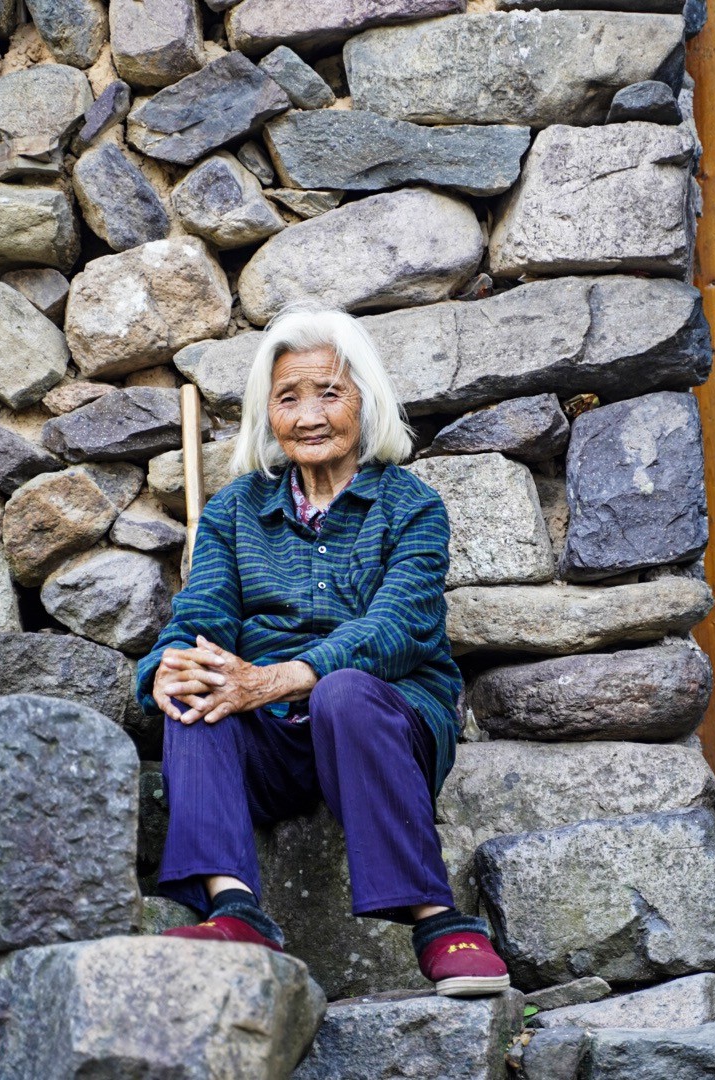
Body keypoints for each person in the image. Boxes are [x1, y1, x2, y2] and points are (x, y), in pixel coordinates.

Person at [135, 304, 511, 997]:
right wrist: (169, 666)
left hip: (381, 723)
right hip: (272, 742)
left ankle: (436, 919)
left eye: (328, 392)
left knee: (342, 689)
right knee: (194, 683)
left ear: (363, 401)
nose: (309, 415)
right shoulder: (235, 511)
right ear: (267, 415)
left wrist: (277, 677)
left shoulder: (411, 507)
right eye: (288, 397)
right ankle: (234, 907)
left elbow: (396, 629)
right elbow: (202, 614)